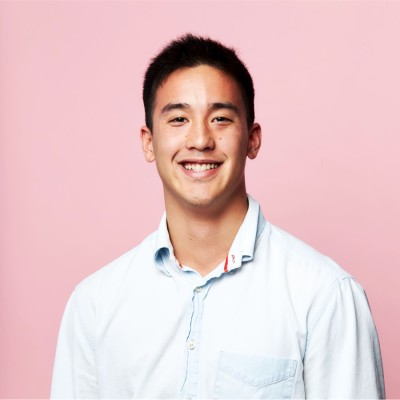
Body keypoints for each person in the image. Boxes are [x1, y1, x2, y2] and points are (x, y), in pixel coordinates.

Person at [51, 34, 385, 399]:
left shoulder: (325, 296)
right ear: (149, 142)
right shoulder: (94, 305)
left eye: (221, 118)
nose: (200, 139)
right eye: (178, 118)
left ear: (252, 139)